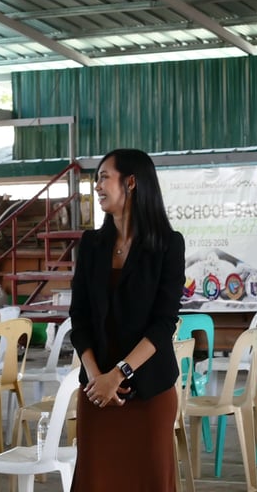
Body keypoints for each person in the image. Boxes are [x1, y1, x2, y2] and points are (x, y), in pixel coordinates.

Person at [69, 148, 185, 492]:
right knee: (95, 481)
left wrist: (118, 374)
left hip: (148, 394)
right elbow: (80, 317)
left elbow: (164, 324)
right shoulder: (91, 244)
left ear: (131, 182)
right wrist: (97, 380)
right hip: (97, 396)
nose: (97, 186)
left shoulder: (167, 245)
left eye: (104, 177)